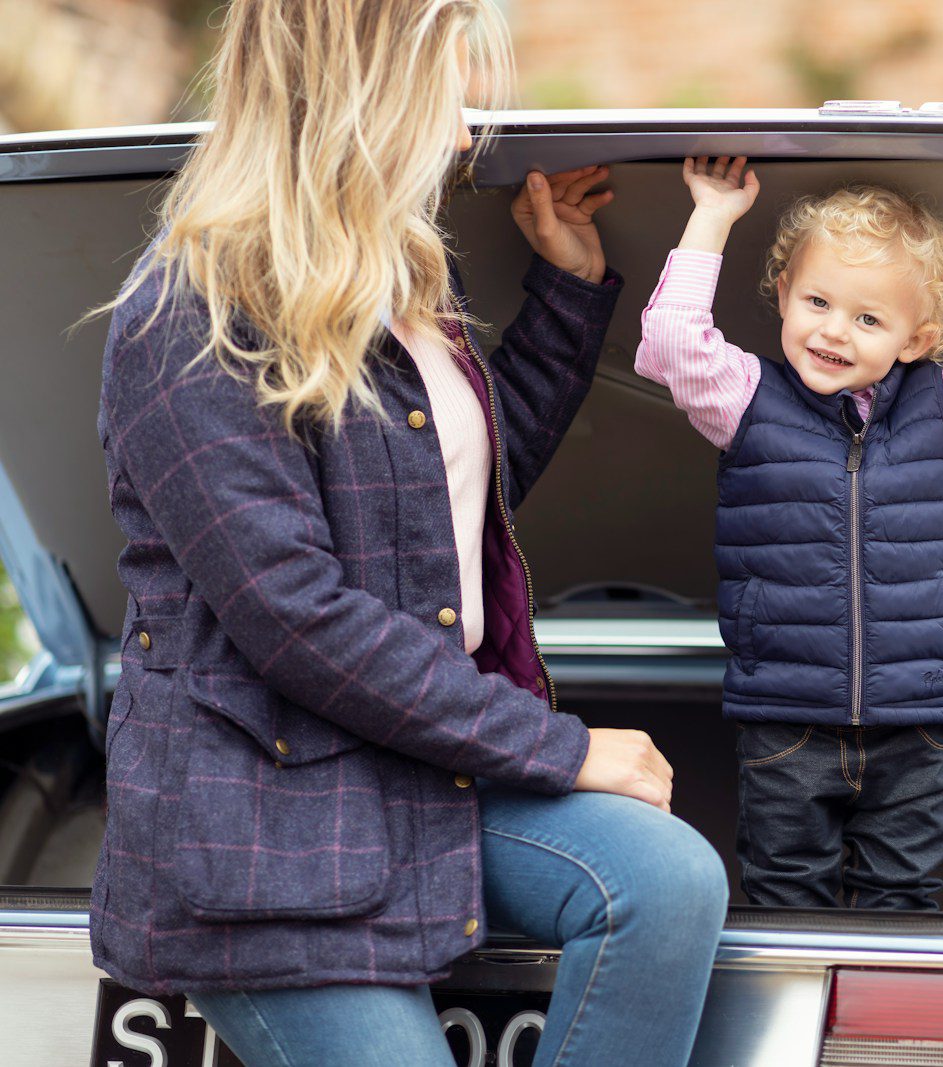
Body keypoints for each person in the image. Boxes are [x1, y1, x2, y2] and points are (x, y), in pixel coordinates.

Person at [85, 2, 726, 1064]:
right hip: (268, 827)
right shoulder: (186, 314)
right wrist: (566, 750)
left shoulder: (402, 273)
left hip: (420, 768)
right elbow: (297, 618)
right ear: (364, 92)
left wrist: (568, 288)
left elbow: (448, 497)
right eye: (449, 88)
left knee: (668, 879)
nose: (470, 131)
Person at [635, 152, 943, 910]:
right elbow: (671, 343)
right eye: (817, 301)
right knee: (784, 894)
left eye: (867, 318)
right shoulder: (746, 398)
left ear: (916, 340)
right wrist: (713, 216)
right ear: (785, 295)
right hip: (786, 717)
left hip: (915, 721)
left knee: (901, 896)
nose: (833, 331)